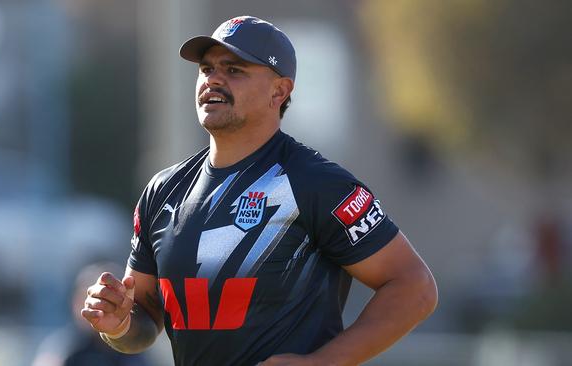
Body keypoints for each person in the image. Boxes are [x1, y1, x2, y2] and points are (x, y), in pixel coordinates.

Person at [81, 15, 438, 366]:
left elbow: (414, 287)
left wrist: (325, 362)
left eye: (234, 70)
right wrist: (119, 324)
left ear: (279, 91)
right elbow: (146, 321)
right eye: (206, 69)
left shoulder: (316, 182)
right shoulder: (163, 190)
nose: (213, 80)